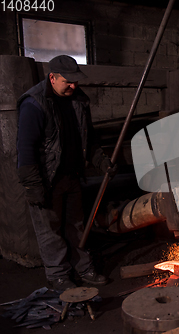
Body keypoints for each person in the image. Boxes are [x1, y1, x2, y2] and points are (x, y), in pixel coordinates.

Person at [16, 55, 117, 290]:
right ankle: (58, 275)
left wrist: (102, 161)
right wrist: (32, 185)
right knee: (50, 230)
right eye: (68, 81)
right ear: (52, 77)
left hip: (71, 176)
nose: (73, 86)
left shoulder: (79, 100)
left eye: (76, 81)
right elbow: (26, 148)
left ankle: (82, 268)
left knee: (76, 225)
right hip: (47, 180)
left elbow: (88, 139)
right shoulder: (34, 104)